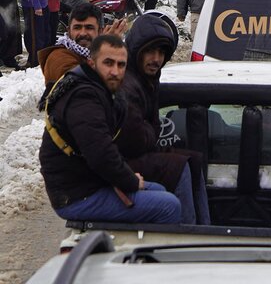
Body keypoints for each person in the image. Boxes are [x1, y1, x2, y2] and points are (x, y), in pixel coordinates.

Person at [38, 33, 182, 224]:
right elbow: (100, 153)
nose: (115, 71)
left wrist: (127, 176)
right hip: (76, 195)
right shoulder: (84, 98)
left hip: (87, 183)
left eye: (121, 65)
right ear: (91, 63)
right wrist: (130, 180)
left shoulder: (100, 90)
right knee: (169, 205)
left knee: (159, 190)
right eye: (108, 63)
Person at [117, 13, 210, 225]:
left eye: (161, 52)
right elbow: (135, 139)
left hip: (137, 155)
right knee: (179, 167)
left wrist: (151, 129)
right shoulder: (128, 84)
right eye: (150, 51)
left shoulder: (147, 79)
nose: (156, 59)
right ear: (137, 51)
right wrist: (152, 130)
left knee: (193, 161)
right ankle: (185, 235)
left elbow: (149, 128)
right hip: (123, 162)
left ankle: (204, 230)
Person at [39, 2, 112, 87]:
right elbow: (79, 86)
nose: (83, 33)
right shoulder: (58, 56)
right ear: (69, 31)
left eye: (89, 28)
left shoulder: (94, 54)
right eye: (77, 28)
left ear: (100, 31)